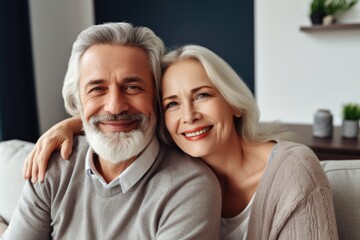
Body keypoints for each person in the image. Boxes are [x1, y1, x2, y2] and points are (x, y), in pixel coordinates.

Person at [23, 45, 339, 239]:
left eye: (202, 95)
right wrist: (72, 123)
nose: (188, 116)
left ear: (234, 103)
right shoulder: (175, 159)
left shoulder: (294, 169)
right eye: (172, 103)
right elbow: (123, 114)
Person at [1, 23, 222, 240]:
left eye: (132, 87)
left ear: (156, 98)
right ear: (78, 102)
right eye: (97, 89)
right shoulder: (52, 164)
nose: (115, 107)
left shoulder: (189, 188)